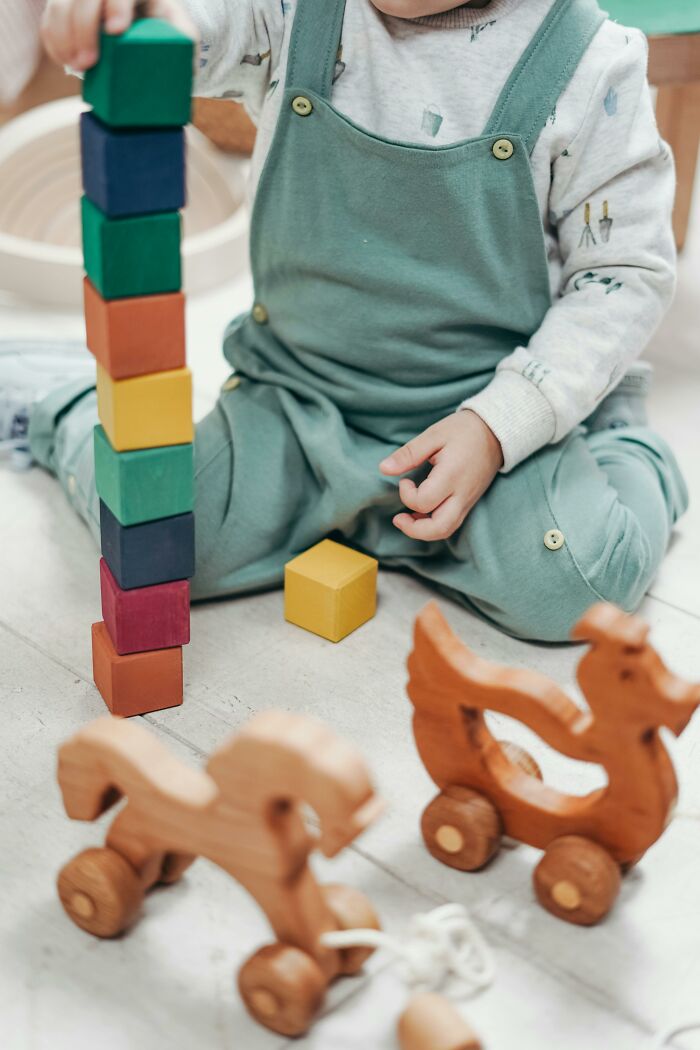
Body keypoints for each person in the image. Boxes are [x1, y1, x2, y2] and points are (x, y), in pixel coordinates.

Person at [3, 0, 687, 641]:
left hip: (481, 421)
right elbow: (193, 28)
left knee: (581, 588)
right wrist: (143, 19)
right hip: (294, 405)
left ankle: (621, 437)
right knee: (149, 533)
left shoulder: (591, 62)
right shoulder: (292, 12)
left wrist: (504, 423)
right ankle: (60, 402)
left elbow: (625, 274)